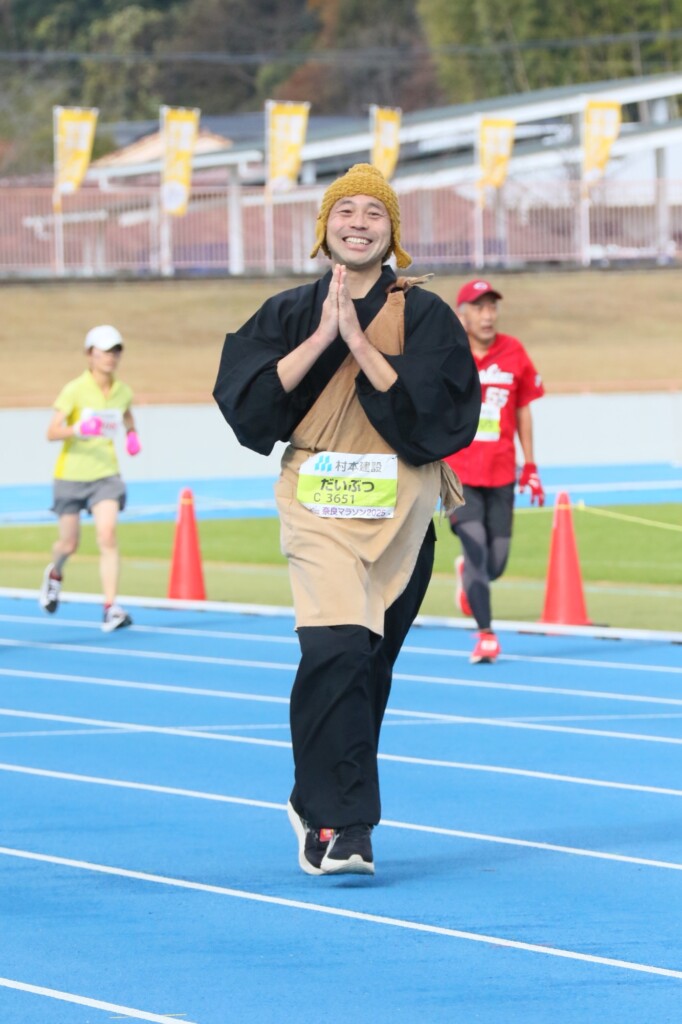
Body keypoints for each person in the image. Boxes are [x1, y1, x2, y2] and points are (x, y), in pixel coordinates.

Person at [214, 163, 480, 877]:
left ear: (392, 233)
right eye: (345, 210)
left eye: (374, 213)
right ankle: (348, 826)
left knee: (367, 668)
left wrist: (361, 344)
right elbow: (249, 404)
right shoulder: (287, 312)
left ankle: (314, 799)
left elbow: (442, 412)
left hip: (403, 507)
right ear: (324, 226)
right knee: (334, 649)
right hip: (318, 504)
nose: (358, 222)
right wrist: (324, 335)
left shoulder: (426, 315)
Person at [443, 279, 545, 665]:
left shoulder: (513, 351)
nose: (487, 316)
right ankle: (486, 635)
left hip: (501, 471)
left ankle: (468, 577)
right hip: (458, 473)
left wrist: (530, 465)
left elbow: (524, 409)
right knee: (476, 549)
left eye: (491, 307)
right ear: (462, 315)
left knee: (495, 563)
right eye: (478, 307)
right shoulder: (449, 355)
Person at [39, 324, 142, 633]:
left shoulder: (123, 391)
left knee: (107, 535)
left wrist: (132, 436)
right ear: (90, 354)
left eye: (116, 351)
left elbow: (127, 416)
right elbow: (51, 432)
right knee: (69, 543)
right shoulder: (74, 389)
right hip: (71, 476)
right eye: (105, 351)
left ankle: (110, 608)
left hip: (105, 474)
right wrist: (78, 429)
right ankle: (55, 574)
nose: (111, 357)